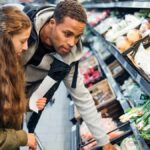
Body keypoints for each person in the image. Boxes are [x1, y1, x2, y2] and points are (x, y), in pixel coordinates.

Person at [21, 1, 117, 149]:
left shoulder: (68, 57)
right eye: (67, 34)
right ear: (52, 23)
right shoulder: (22, 27)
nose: (72, 43)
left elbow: (83, 98)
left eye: (78, 36)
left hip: (22, 102)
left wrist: (104, 141)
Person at [0, 5, 46, 150]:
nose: (26, 47)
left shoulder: (8, 64)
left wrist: (26, 104)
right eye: (22, 41)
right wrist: (23, 138)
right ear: (5, 41)